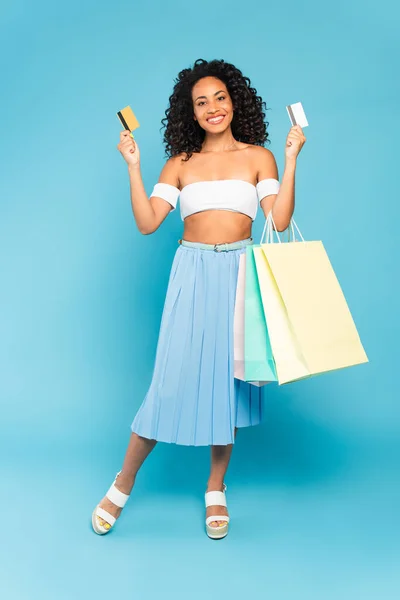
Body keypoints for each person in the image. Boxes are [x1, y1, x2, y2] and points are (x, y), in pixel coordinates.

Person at [91, 58, 306, 539]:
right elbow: (148, 221)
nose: (212, 108)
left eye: (220, 98)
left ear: (236, 103)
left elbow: (282, 221)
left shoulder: (259, 158)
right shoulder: (179, 164)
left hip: (240, 273)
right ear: (190, 112)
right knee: (170, 380)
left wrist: (291, 160)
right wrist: (134, 166)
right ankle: (122, 485)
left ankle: (215, 488)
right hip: (191, 271)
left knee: (227, 383)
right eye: (201, 102)